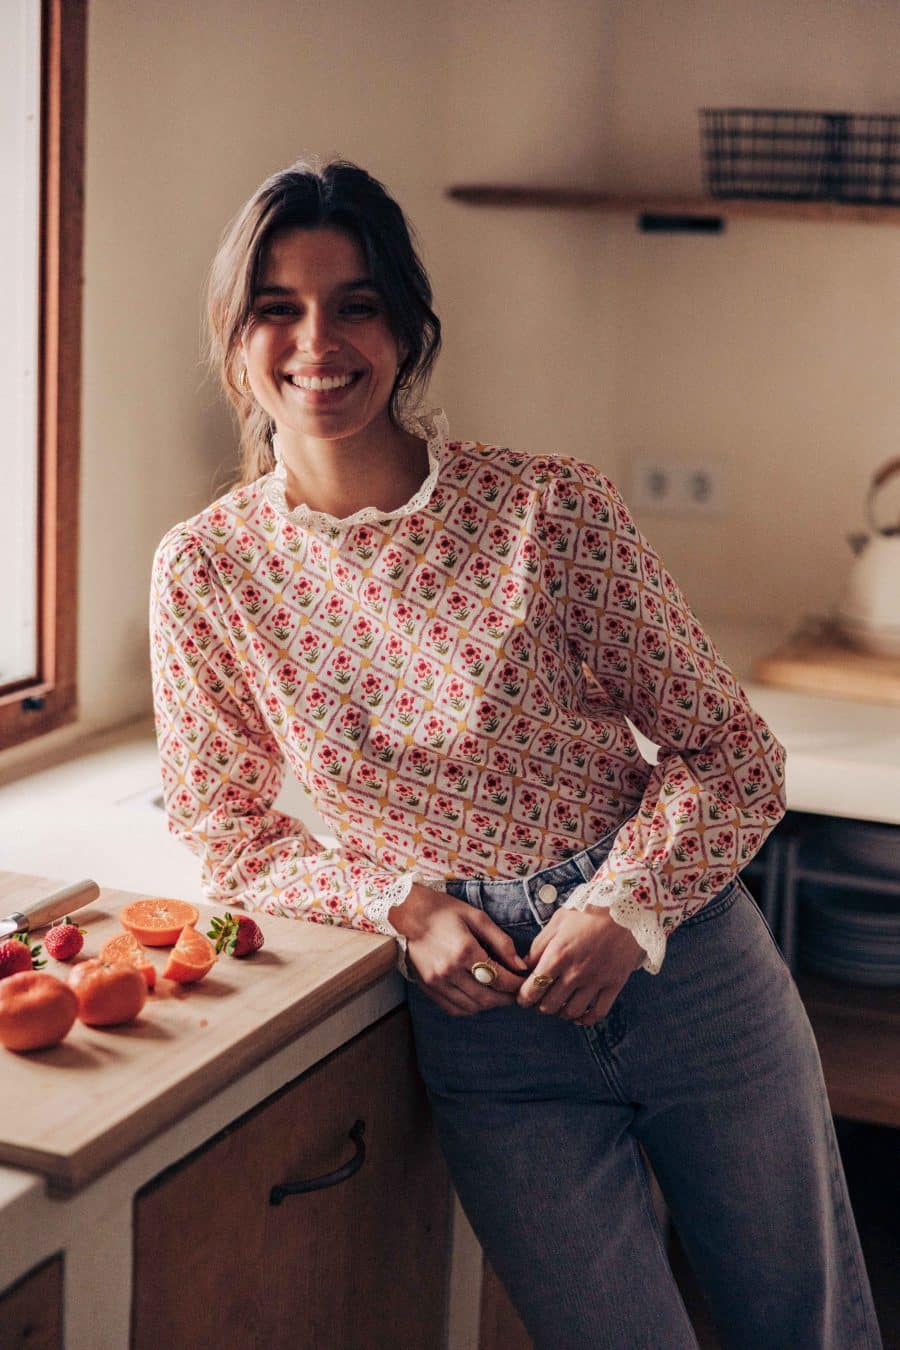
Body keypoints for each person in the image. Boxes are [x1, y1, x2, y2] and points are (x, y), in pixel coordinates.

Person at [150, 158, 881, 1349]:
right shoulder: (209, 570)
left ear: (408, 329)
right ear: (236, 341)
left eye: (356, 303)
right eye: (278, 306)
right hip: (489, 1037)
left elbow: (732, 752)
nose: (317, 341)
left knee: (803, 1329)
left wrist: (627, 906)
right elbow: (223, 829)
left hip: (686, 972)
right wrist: (400, 903)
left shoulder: (548, 508)